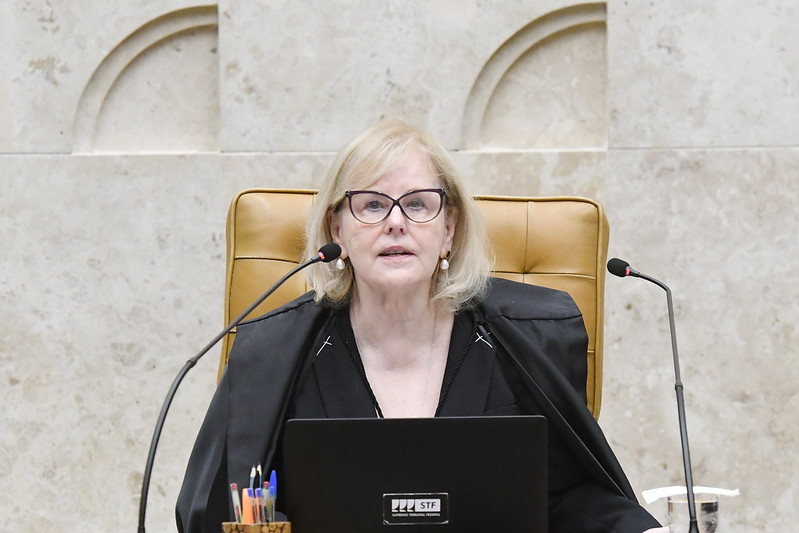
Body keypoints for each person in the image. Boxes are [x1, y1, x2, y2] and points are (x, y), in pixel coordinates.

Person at [176, 119, 667, 532]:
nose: (396, 223)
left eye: (417, 204)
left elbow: (569, 500)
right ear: (336, 230)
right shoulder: (272, 352)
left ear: (448, 228)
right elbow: (217, 508)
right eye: (371, 205)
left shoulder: (529, 337)